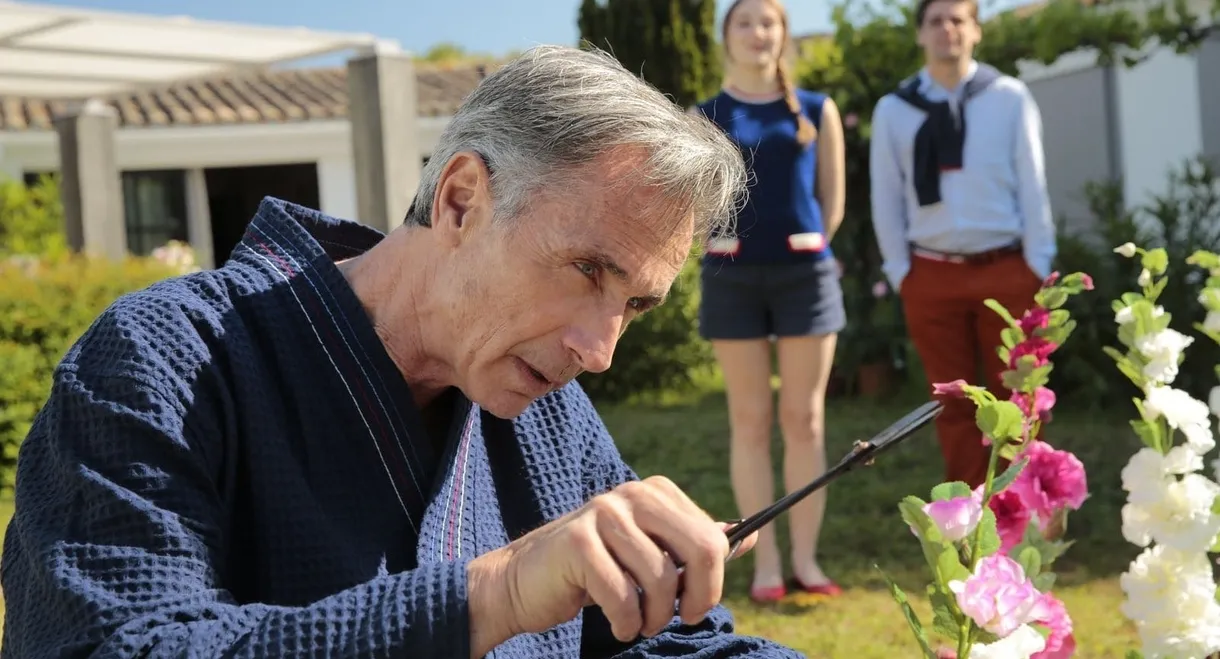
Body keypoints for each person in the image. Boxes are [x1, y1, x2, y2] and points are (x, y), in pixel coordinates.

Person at [0, 45, 805, 659]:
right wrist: (498, 593)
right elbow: (121, 643)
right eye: (588, 269)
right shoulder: (162, 358)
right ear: (460, 199)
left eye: (633, 304)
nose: (598, 351)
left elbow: (660, 642)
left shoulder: (549, 414)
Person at [691, 0, 847, 604]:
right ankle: (764, 564)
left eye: (769, 23)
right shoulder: (704, 115)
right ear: (726, 36)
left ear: (783, 35)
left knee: (804, 421)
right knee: (750, 423)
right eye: (745, 22)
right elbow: (695, 202)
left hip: (805, 278)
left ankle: (806, 561)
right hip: (732, 280)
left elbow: (831, 201)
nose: (758, 32)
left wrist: (813, 245)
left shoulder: (814, 110)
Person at [868, 0, 1056, 488]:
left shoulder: (1010, 97)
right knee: (952, 404)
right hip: (930, 274)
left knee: (1019, 400)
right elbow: (885, 195)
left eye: (958, 20)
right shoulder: (894, 109)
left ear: (976, 32)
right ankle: (974, 521)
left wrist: (1036, 265)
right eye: (936, 21)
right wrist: (900, 272)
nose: (947, 29)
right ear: (920, 35)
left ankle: (1023, 509)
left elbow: (1033, 184)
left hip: (1007, 268)